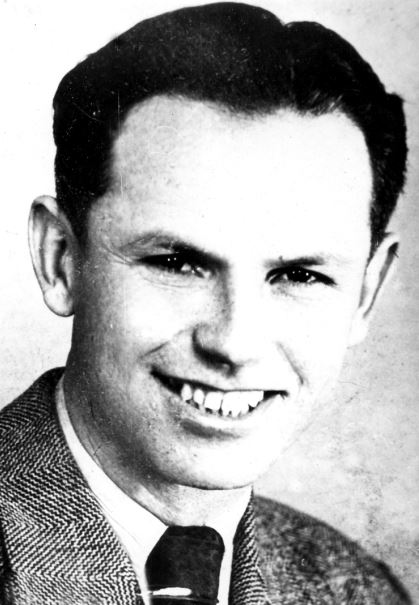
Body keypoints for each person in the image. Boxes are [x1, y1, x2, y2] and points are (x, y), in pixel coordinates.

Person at [0, 2, 411, 604]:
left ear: (366, 294)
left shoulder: (356, 589)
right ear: (61, 258)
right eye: (176, 263)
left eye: (299, 275)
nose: (235, 343)